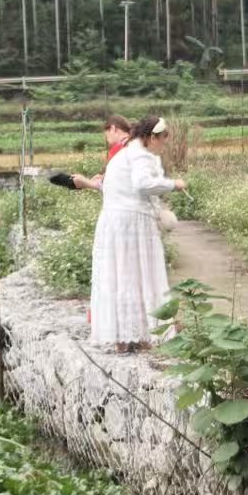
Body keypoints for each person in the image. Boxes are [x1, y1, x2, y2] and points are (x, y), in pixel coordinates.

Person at [88, 114, 184, 352]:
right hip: (131, 224)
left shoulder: (127, 153)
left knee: (122, 275)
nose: (165, 142)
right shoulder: (140, 155)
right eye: (163, 137)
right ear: (151, 137)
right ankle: (144, 334)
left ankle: (126, 336)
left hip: (114, 222)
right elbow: (142, 185)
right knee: (140, 275)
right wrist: (174, 184)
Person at [70, 114, 132, 190]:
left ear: (113, 129)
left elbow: (115, 182)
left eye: (106, 136)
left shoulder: (120, 148)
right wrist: (102, 177)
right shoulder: (135, 143)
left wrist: (87, 183)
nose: (107, 140)